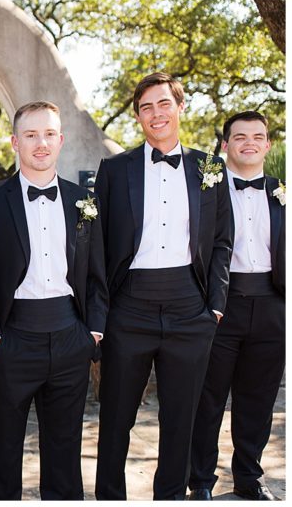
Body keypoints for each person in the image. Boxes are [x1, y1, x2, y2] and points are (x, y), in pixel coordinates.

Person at [94, 72, 233, 501]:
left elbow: (223, 240)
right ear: (138, 116)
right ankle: (110, 497)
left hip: (191, 309)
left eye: (163, 104)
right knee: (117, 417)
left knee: (181, 420)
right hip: (129, 307)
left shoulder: (210, 169)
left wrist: (214, 305)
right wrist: (104, 312)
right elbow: (97, 245)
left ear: (180, 106)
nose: (156, 114)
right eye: (146, 107)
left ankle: (171, 497)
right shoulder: (115, 170)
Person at [0, 101, 107, 500]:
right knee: (2, 447)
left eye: (49, 134)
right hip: (12, 337)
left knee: (65, 448)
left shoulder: (82, 201)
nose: (41, 143)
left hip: (70, 334)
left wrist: (94, 332)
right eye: (31, 135)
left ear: (61, 140)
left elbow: (96, 272)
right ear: (15, 142)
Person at [189, 111, 285, 502]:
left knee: (259, 399)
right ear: (225, 145)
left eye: (257, 136)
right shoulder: (205, 190)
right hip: (218, 305)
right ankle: (201, 480)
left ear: (267, 145)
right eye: (240, 137)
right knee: (208, 398)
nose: (249, 142)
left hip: (271, 305)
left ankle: (249, 476)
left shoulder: (283, 191)